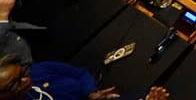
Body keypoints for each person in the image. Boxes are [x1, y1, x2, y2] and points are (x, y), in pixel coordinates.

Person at [0, 54, 171, 100]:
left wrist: (91, 93)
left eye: (23, 73)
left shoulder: (39, 70)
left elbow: (80, 73)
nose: (25, 80)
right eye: (14, 83)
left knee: (150, 92)